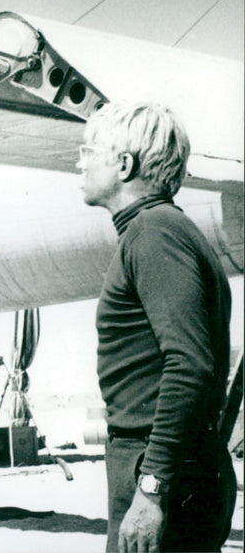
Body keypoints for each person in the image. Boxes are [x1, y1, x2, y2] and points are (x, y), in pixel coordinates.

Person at [77, 101, 237, 553]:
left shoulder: (153, 233)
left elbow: (189, 364)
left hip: (161, 473)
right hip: (172, 466)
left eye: (89, 152)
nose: (79, 163)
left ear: (124, 165)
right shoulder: (163, 229)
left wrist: (151, 487)